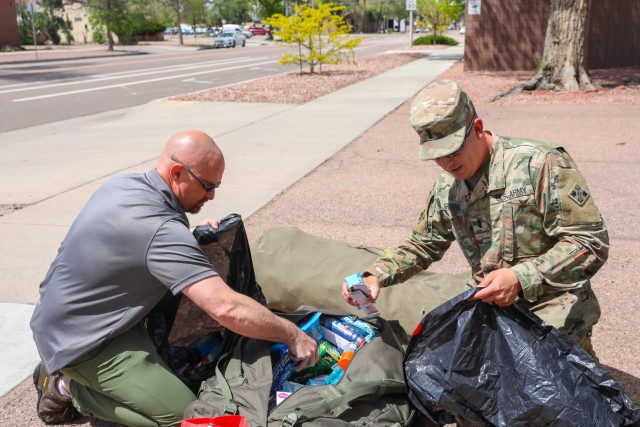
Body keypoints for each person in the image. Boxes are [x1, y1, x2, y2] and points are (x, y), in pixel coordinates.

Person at [31, 130, 318, 426]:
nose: (212, 195)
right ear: (178, 172)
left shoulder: (125, 185)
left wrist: (189, 240)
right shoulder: (160, 230)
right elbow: (225, 307)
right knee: (187, 418)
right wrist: (291, 334)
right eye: (207, 186)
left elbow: (136, 246)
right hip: (83, 343)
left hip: (79, 316)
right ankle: (67, 388)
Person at [342, 80, 608, 356]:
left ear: (478, 128)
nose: (447, 164)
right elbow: (424, 242)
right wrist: (375, 276)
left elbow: (590, 242)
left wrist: (520, 277)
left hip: (553, 304)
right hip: (493, 305)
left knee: (563, 390)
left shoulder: (539, 164)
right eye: (438, 156)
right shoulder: (448, 187)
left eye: (453, 150)